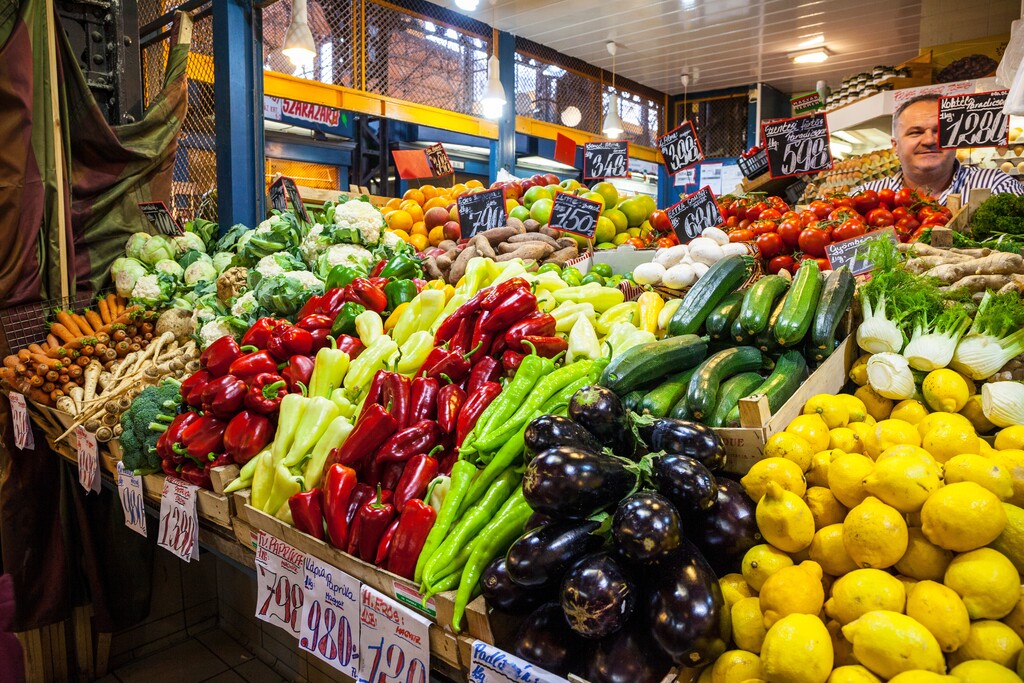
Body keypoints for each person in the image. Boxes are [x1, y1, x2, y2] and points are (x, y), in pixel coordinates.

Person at [853, 93, 1024, 204]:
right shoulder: (865, 197)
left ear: (956, 139)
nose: (929, 140)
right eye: (915, 132)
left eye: (940, 131)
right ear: (895, 146)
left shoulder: (996, 186)